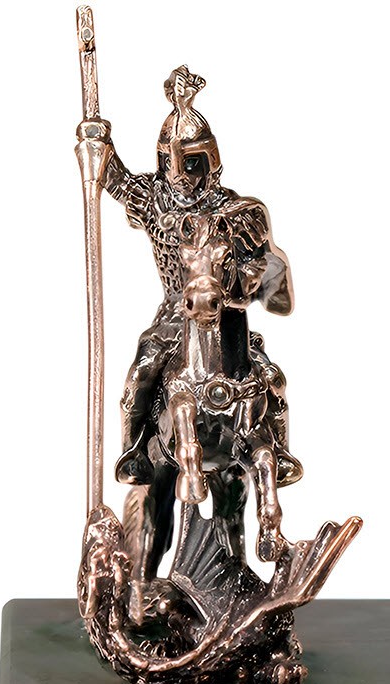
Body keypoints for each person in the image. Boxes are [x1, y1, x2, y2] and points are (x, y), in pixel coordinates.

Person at [92, 65, 302, 490]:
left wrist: (257, 267)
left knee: (273, 381)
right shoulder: (155, 200)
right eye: (170, 164)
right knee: (141, 375)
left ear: (209, 161)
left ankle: (278, 453)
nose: (180, 175)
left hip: (226, 320)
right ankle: (135, 452)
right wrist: (98, 146)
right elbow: (117, 181)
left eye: (190, 163)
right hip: (174, 315)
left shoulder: (235, 213)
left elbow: (268, 280)